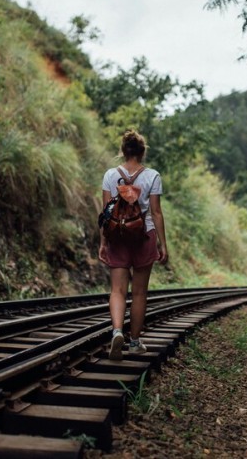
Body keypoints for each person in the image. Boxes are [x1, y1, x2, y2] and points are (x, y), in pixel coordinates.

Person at [99, 129, 168, 360]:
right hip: (144, 235)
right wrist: (162, 245)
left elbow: (107, 213)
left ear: (123, 151)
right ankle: (135, 342)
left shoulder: (110, 175)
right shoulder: (152, 176)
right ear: (142, 152)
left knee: (117, 290)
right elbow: (156, 213)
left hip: (117, 237)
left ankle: (117, 331)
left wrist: (103, 242)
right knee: (139, 293)